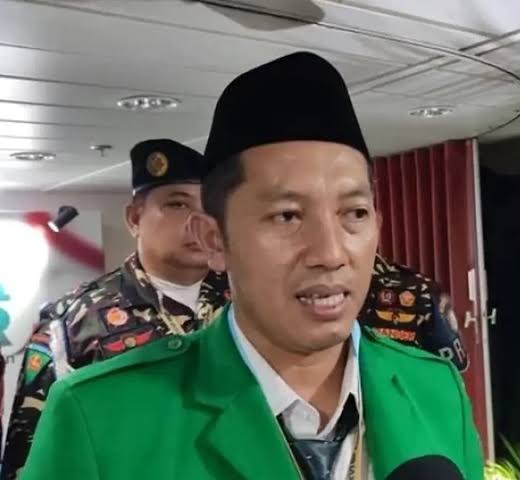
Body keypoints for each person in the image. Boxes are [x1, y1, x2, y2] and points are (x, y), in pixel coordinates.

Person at [21, 53, 483, 480]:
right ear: (214, 240)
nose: (330, 252)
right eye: (287, 216)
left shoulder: (432, 386)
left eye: (355, 213)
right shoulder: (100, 416)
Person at [1, 139, 229, 480]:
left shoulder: (245, 304)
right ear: (135, 218)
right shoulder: (72, 322)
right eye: (178, 204)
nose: (197, 221)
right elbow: (30, 449)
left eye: (209, 207)